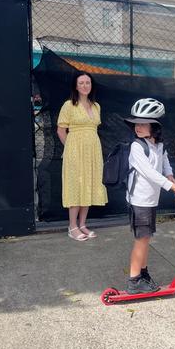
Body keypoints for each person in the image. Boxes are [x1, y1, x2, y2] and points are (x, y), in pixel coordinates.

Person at [123, 98, 175, 294]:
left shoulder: (158, 145)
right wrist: (171, 187)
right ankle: (134, 281)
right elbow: (148, 172)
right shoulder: (136, 146)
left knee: (146, 238)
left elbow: (164, 160)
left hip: (150, 199)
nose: (138, 127)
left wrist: (170, 175)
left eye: (143, 124)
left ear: (155, 126)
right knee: (141, 239)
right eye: (136, 124)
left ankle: (143, 273)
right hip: (139, 200)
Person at [56, 71, 108, 241]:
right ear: (75, 86)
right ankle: (72, 227)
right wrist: (70, 149)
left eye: (88, 82)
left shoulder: (96, 106)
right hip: (75, 152)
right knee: (75, 187)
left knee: (89, 185)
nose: (85, 85)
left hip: (93, 152)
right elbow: (61, 131)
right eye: (81, 83)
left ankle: (83, 224)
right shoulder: (68, 105)